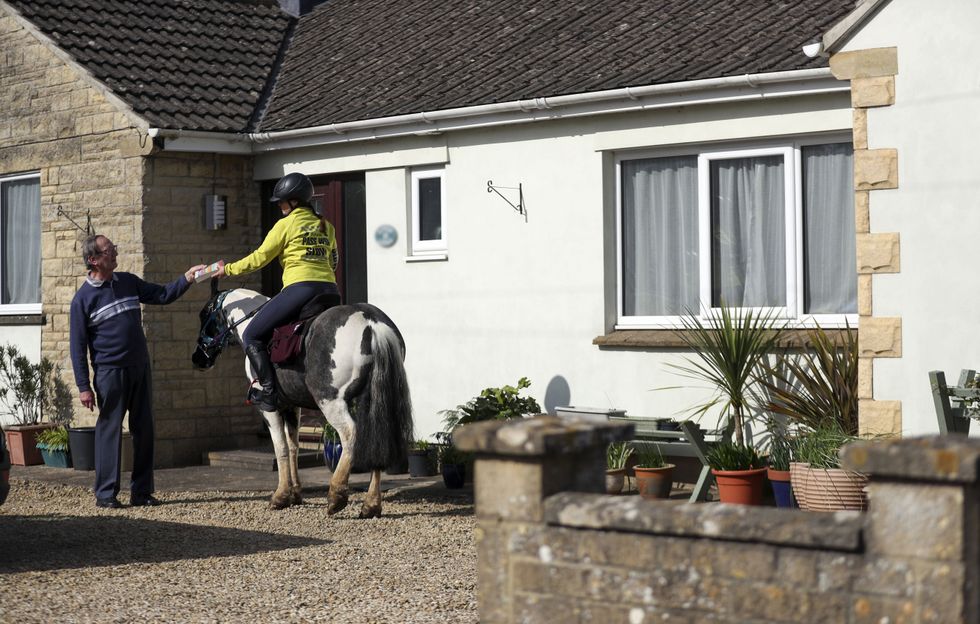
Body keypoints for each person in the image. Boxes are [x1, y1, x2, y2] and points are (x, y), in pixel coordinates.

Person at [70, 234, 205, 509]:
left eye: (114, 249)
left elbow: (162, 295)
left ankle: (141, 492)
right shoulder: (82, 300)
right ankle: (106, 494)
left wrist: (187, 278)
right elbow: (77, 347)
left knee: (144, 429)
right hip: (110, 373)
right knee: (109, 431)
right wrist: (84, 386)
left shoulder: (129, 282)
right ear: (93, 260)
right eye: (109, 251)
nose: (115, 253)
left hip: (140, 368)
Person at [211, 172, 340, 411]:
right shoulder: (326, 225)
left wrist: (227, 269)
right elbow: (334, 260)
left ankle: (270, 393)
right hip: (331, 291)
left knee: (251, 335)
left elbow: (259, 258)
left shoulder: (285, 225)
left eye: (282, 201)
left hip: (300, 289)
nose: (280, 205)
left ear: (294, 201)